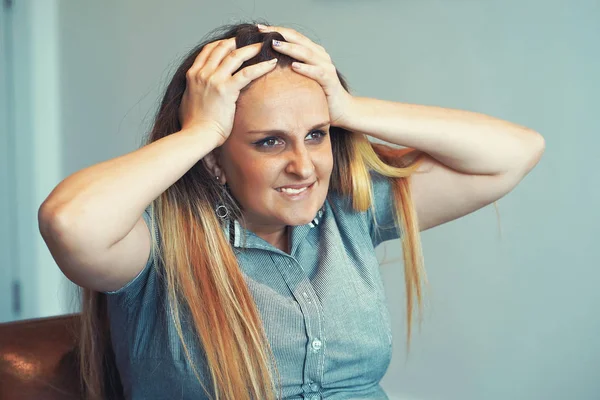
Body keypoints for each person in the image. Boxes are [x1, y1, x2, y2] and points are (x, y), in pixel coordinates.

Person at [38, 22, 545, 400]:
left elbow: (514, 152)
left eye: (316, 135)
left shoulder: (350, 210)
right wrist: (200, 133)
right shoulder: (152, 243)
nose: (303, 166)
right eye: (269, 142)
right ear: (214, 159)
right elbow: (69, 221)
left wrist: (348, 108)